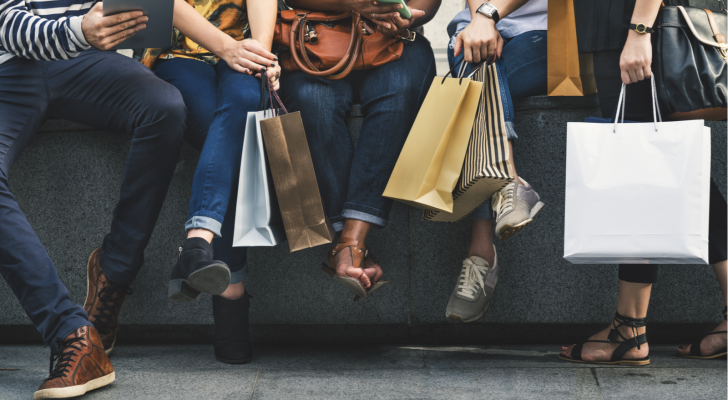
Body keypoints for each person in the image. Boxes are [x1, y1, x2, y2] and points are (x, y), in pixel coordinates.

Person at [0, 0, 267, 397]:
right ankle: (72, 335)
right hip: (11, 66)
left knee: (164, 107)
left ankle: (114, 271)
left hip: (92, 59)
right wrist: (77, 30)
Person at [559, 0, 727, 365]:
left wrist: (639, 31)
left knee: (641, 175)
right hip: (624, 26)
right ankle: (629, 326)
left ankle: (630, 329)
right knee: (674, 174)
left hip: (629, 25)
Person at [142, 0, 280, 364]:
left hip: (245, 47)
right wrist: (227, 47)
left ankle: (197, 246)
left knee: (246, 101)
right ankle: (231, 292)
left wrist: (260, 57)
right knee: (229, 139)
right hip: (176, 51)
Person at [278, 0, 440, 299]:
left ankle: (349, 242)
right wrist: (354, 4)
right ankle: (351, 246)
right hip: (312, 36)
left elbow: (425, 5)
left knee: (400, 95)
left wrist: (404, 16)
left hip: (394, 40)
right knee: (312, 103)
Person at [443, 0, 547, 322]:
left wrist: (489, 15)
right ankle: (510, 185)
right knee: (473, 54)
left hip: (546, 31)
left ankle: (481, 251)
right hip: (476, 27)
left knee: (474, 89)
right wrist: (480, 21)